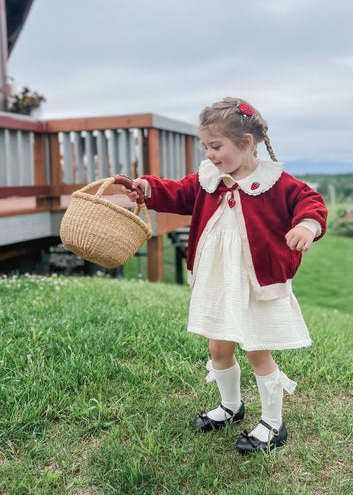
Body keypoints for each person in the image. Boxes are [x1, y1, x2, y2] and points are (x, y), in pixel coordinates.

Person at [124, 97, 327, 455]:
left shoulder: (275, 182)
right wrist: (147, 188)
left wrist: (307, 227)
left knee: (256, 349)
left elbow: (310, 202)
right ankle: (231, 406)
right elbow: (178, 192)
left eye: (216, 146)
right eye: (206, 146)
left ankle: (273, 423)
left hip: (255, 283)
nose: (210, 154)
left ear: (246, 143)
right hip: (218, 281)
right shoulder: (209, 179)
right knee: (218, 346)